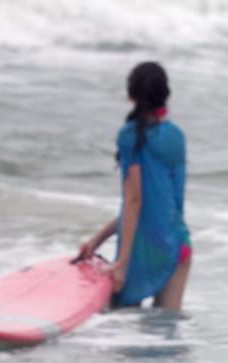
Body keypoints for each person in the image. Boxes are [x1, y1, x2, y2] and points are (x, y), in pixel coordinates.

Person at [78, 61, 191, 310]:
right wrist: (98, 240)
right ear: (165, 95)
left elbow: (135, 201)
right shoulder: (177, 136)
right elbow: (158, 204)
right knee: (166, 335)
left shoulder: (131, 135)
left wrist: (123, 263)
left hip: (143, 252)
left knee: (126, 337)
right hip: (178, 246)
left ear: (131, 96)